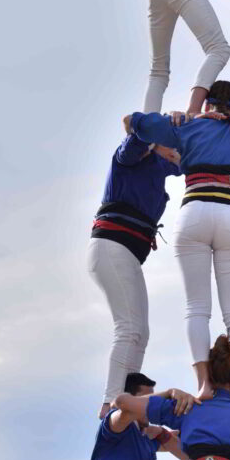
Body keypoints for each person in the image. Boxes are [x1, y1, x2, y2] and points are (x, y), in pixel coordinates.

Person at [126, 80, 230, 404]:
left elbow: (132, 122)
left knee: (197, 308)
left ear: (207, 105)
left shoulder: (188, 125)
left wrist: (178, 116)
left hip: (194, 210)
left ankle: (204, 385)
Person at [88, 130, 181, 416]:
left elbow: (189, 161)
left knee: (141, 332)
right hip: (111, 248)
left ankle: (127, 401)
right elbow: (138, 135)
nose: (176, 152)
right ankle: (111, 404)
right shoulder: (131, 157)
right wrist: (146, 125)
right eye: (172, 145)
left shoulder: (161, 165)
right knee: (129, 330)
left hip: (124, 254)